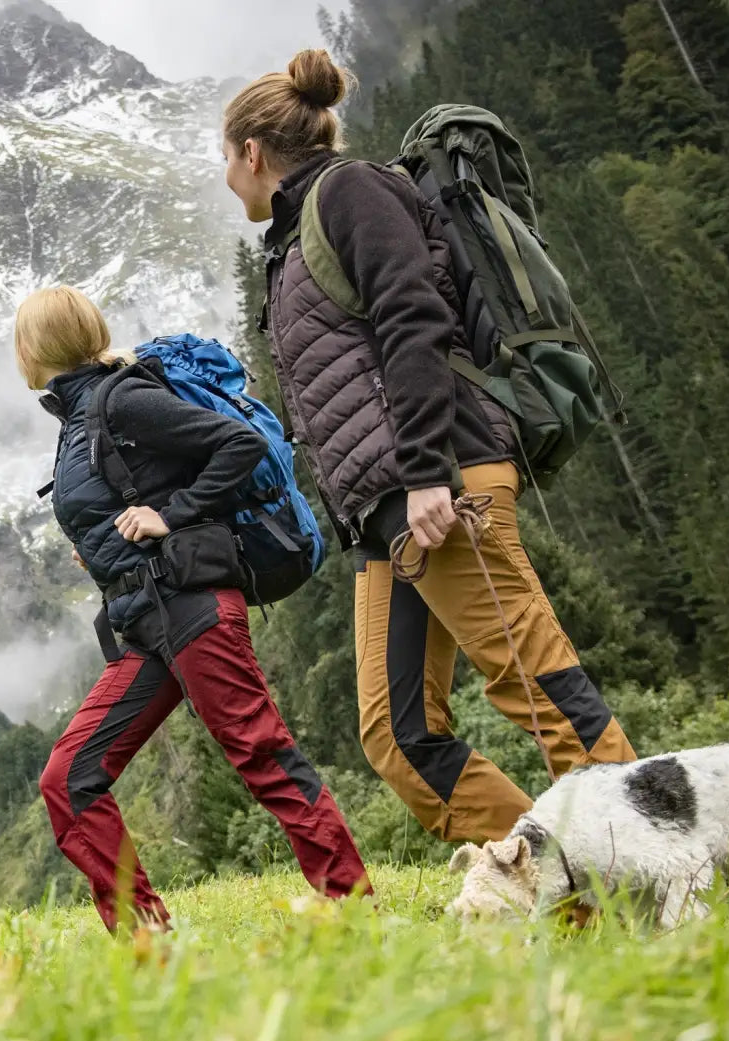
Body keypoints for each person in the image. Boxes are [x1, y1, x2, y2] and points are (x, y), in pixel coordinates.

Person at [221, 50, 638, 846]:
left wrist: (423, 475)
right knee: (398, 735)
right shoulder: (293, 237)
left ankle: (647, 857)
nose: (228, 178)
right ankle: (549, 871)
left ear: (251, 152)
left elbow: (413, 320)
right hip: (390, 512)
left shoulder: (352, 191)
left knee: (533, 680)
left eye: (226, 160)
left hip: (440, 481)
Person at [15, 284, 369, 932]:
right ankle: (147, 941)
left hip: (193, 607)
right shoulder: (78, 419)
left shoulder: (120, 399)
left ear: (36, 346)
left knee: (261, 753)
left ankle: (353, 907)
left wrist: (166, 515)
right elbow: (125, 494)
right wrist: (103, 546)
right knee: (69, 779)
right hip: (145, 621)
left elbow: (240, 445)